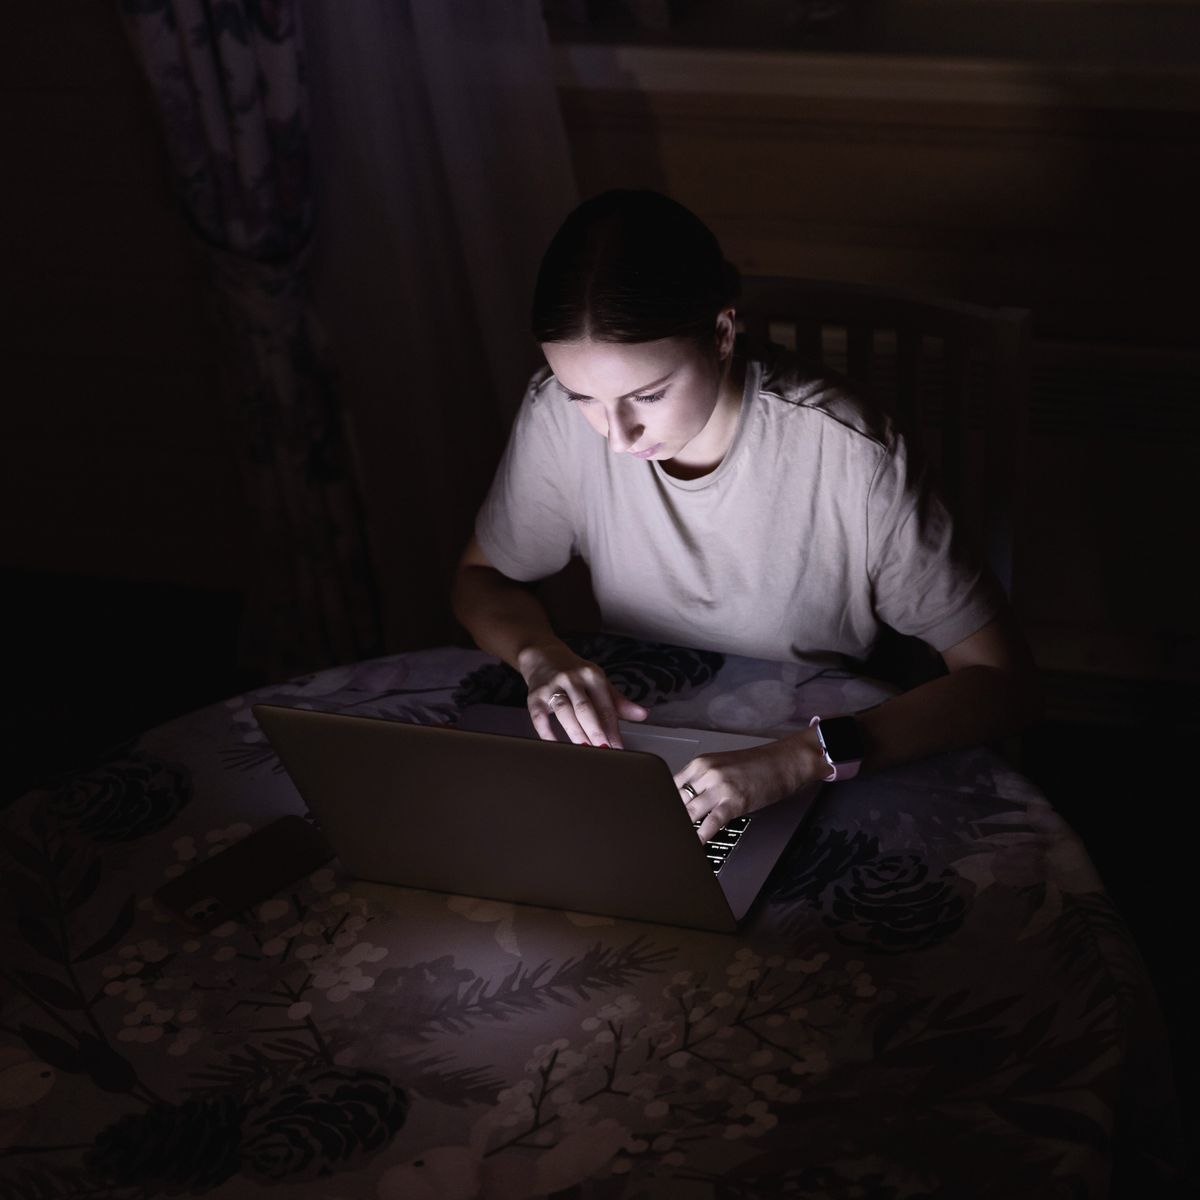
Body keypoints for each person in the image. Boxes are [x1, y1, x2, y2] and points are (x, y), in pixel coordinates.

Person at [452, 189, 1041, 843]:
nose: (616, 436)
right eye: (583, 395)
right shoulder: (558, 422)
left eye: (649, 394)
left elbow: (1002, 683)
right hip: (651, 757)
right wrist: (538, 655)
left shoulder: (852, 455)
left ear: (724, 333)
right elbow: (482, 580)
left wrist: (801, 759)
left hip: (817, 759)